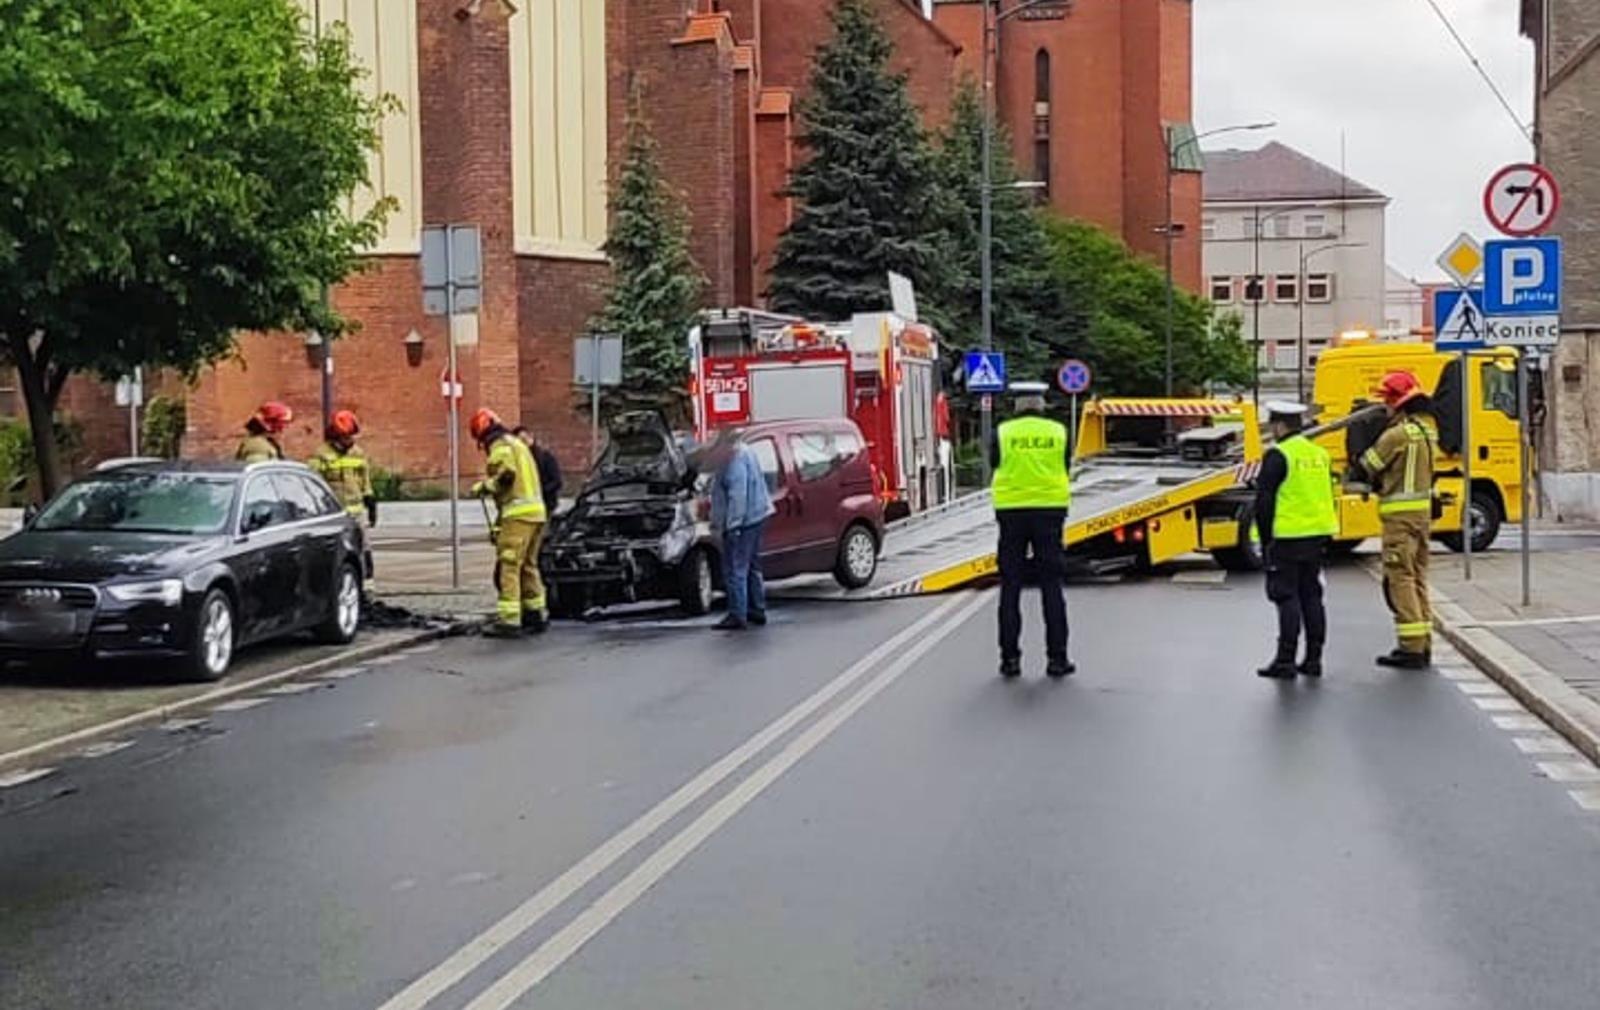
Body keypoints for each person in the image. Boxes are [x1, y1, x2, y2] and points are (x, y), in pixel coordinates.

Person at [1348, 371, 1437, 669]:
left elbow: (1368, 465)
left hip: (1399, 520)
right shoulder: (1424, 431)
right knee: (1417, 578)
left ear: (1396, 403)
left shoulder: (1396, 435)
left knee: (1399, 578)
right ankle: (1423, 642)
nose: (1384, 407)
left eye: (1386, 401)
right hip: (1422, 519)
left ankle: (1410, 647)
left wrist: (1361, 437)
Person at [989, 381, 1072, 679]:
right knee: (1052, 585)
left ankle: (1010, 659)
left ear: (1016, 406)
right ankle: (1057, 659)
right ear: (1041, 405)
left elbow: (994, 464)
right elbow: (1065, 466)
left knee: (1010, 586)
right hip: (1050, 512)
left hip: (1011, 512)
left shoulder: (1002, 433)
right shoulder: (1059, 432)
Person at [1253, 401, 1337, 680]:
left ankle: (1285, 660)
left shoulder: (1278, 455)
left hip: (1287, 537)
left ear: (1279, 425)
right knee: (1312, 595)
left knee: (1286, 596)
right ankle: (1314, 659)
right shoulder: (1319, 454)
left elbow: (1264, 502)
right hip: (1317, 535)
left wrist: (1266, 541)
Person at [469, 407, 548, 639]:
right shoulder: (517, 444)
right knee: (529, 565)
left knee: (509, 566)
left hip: (518, 514)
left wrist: (485, 486)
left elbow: (507, 477)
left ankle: (509, 620)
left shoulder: (499, 447)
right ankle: (535, 613)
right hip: (537, 513)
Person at [704, 430, 774, 630]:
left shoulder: (734, 464)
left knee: (736, 568)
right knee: (752, 565)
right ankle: (756, 608)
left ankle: (737, 613)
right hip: (758, 515)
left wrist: (732, 527)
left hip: (744, 522)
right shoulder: (745, 451)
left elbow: (738, 497)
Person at [309, 410, 378, 588]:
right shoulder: (321, 455)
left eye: (351, 436)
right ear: (335, 437)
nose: (350, 441)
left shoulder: (357, 453)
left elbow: (364, 478)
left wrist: (370, 499)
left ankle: (368, 587)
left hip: (356, 513)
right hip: (334, 515)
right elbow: (313, 484)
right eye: (346, 437)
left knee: (364, 548)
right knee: (338, 552)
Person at [513, 425, 563, 518]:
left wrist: (541, 492)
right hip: (525, 508)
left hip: (546, 505)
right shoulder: (517, 461)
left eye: (524, 440)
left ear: (531, 437)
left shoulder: (545, 457)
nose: (523, 445)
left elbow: (557, 481)